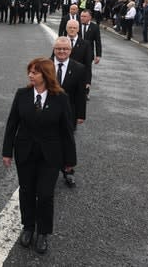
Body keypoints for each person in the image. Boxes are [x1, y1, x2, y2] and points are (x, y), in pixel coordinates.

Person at [2, 57, 76, 255]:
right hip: (25, 152)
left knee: (45, 194)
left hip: (51, 155)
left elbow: (67, 130)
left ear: (46, 75)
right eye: (30, 72)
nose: (30, 75)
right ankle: (28, 228)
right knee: (26, 191)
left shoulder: (61, 98)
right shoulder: (22, 94)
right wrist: (7, 151)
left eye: (35, 72)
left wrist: (70, 160)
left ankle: (43, 233)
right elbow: (12, 124)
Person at [52, 36, 86, 188]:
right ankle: (49, 169)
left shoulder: (78, 68)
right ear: (54, 50)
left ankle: (68, 171)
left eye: (65, 49)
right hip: (48, 112)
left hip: (69, 112)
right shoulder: (45, 65)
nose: (61, 51)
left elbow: (80, 94)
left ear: (70, 51)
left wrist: (80, 115)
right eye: (59, 49)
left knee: (67, 141)